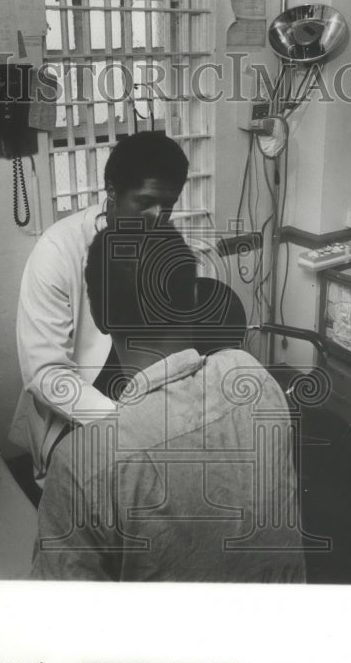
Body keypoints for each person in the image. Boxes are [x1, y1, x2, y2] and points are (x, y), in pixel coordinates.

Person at [31, 225, 307, 582]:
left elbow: (59, 620)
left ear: (99, 317)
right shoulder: (253, 377)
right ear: (194, 298)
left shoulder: (81, 464)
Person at [9, 132, 190, 483]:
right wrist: (130, 425)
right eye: (147, 202)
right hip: (78, 410)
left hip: (144, 393)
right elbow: (46, 375)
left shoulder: (160, 244)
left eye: (168, 206)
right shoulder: (58, 251)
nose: (159, 217)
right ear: (111, 192)